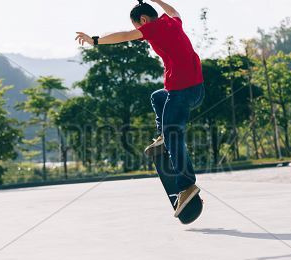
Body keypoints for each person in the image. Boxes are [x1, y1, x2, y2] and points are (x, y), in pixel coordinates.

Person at [75, 0, 205, 217]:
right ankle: (163, 136)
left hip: (181, 92)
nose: (139, 32)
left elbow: (124, 36)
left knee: (174, 136)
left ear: (143, 21)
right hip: (196, 90)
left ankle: (187, 185)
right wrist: (156, 0)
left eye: (139, 27)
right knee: (157, 97)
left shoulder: (153, 28)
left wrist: (94, 40)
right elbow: (174, 11)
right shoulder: (172, 22)